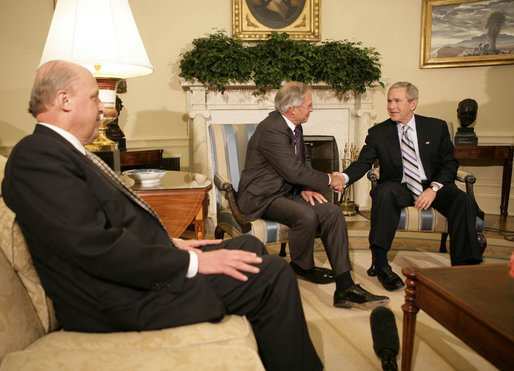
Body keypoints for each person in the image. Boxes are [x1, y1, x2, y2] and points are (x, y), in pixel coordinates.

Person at [1, 61, 323, 371]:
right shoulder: (37, 156)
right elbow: (93, 246)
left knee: (250, 249)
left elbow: (99, 224)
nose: (102, 107)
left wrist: (172, 244)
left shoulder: (61, 152)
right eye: (94, 97)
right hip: (118, 299)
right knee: (274, 274)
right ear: (64, 100)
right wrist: (193, 263)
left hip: (128, 277)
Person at [237, 81, 389, 309]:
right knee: (306, 215)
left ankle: (345, 286)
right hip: (262, 196)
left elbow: (303, 160)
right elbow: (294, 170)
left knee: (332, 212)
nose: (311, 109)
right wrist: (330, 179)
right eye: (308, 105)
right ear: (292, 108)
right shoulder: (272, 129)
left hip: (287, 190)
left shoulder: (294, 124)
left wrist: (306, 187)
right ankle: (301, 266)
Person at [342, 81, 483, 291]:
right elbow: (363, 163)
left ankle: (464, 268)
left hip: (433, 184)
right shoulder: (379, 132)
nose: (391, 106)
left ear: (413, 103)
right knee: (383, 192)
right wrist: (343, 178)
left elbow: (450, 163)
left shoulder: (436, 127)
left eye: (397, 101)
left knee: (463, 201)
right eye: (389, 101)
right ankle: (381, 264)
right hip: (400, 185)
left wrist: (433, 188)